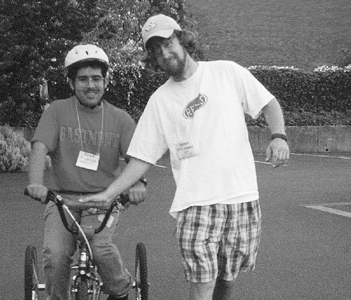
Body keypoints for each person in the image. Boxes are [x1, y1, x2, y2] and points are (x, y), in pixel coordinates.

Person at [80, 14, 290, 300]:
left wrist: (279, 136)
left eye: (168, 44)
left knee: (227, 278)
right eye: (156, 51)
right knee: (203, 282)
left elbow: (269, 104)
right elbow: (141, 157)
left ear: (182, 39)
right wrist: (109, 193)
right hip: (195, 204)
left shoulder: (226, 72)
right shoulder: (160, 101)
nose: (165, 54)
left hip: (241, 196)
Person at [26, 44, 147, 300]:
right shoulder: (56, 112)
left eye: (96, 79)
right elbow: (39, 149)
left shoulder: (121, 118)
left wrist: (138, 185)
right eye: (83, 79)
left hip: (105, 200)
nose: (91, 85)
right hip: (62, 200)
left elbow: (138, 158)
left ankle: (121, 291)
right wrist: (36, 183)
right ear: (71, 83)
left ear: (105, 82)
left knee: (101, 249)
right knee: (56, 255)